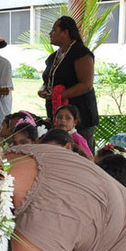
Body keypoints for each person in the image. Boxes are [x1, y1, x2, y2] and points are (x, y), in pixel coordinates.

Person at [39, 16, 99, 151]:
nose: (50, 33)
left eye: (54, 30)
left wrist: (58, 95)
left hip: (80, 114)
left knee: (82, 152)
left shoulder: (81, 53)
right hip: (57, 114)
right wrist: (44, 90)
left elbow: (86, 84)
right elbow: (47, 81)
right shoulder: (53, 57)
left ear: (66, 32)